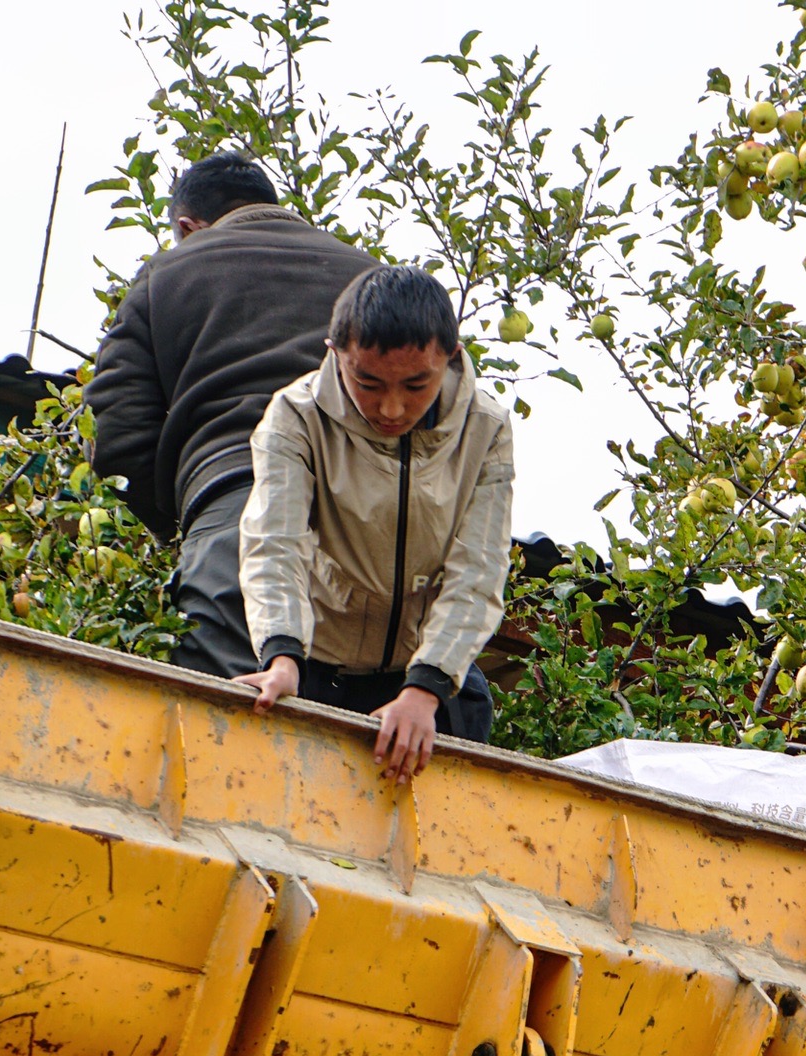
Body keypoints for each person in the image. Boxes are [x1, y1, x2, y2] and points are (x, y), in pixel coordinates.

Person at [84, 150, 379, 677]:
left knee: (233, 737)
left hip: (236, 517)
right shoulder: (371, 279)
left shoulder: (165, 274)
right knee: (394, 748)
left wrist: (187, 516)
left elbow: (118, 435)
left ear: (185, 226)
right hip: (377, 528)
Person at [233, 266, 512, 783]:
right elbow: (275, 544)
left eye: (416, 384)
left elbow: (479, 570)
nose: (391, 407)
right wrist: (282, 656)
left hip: (431, 683)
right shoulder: (295, 417)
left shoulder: (486, 428)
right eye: (367, 382)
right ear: (336, 353)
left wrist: (424, 689)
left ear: (449, 358)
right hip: (317, 669)